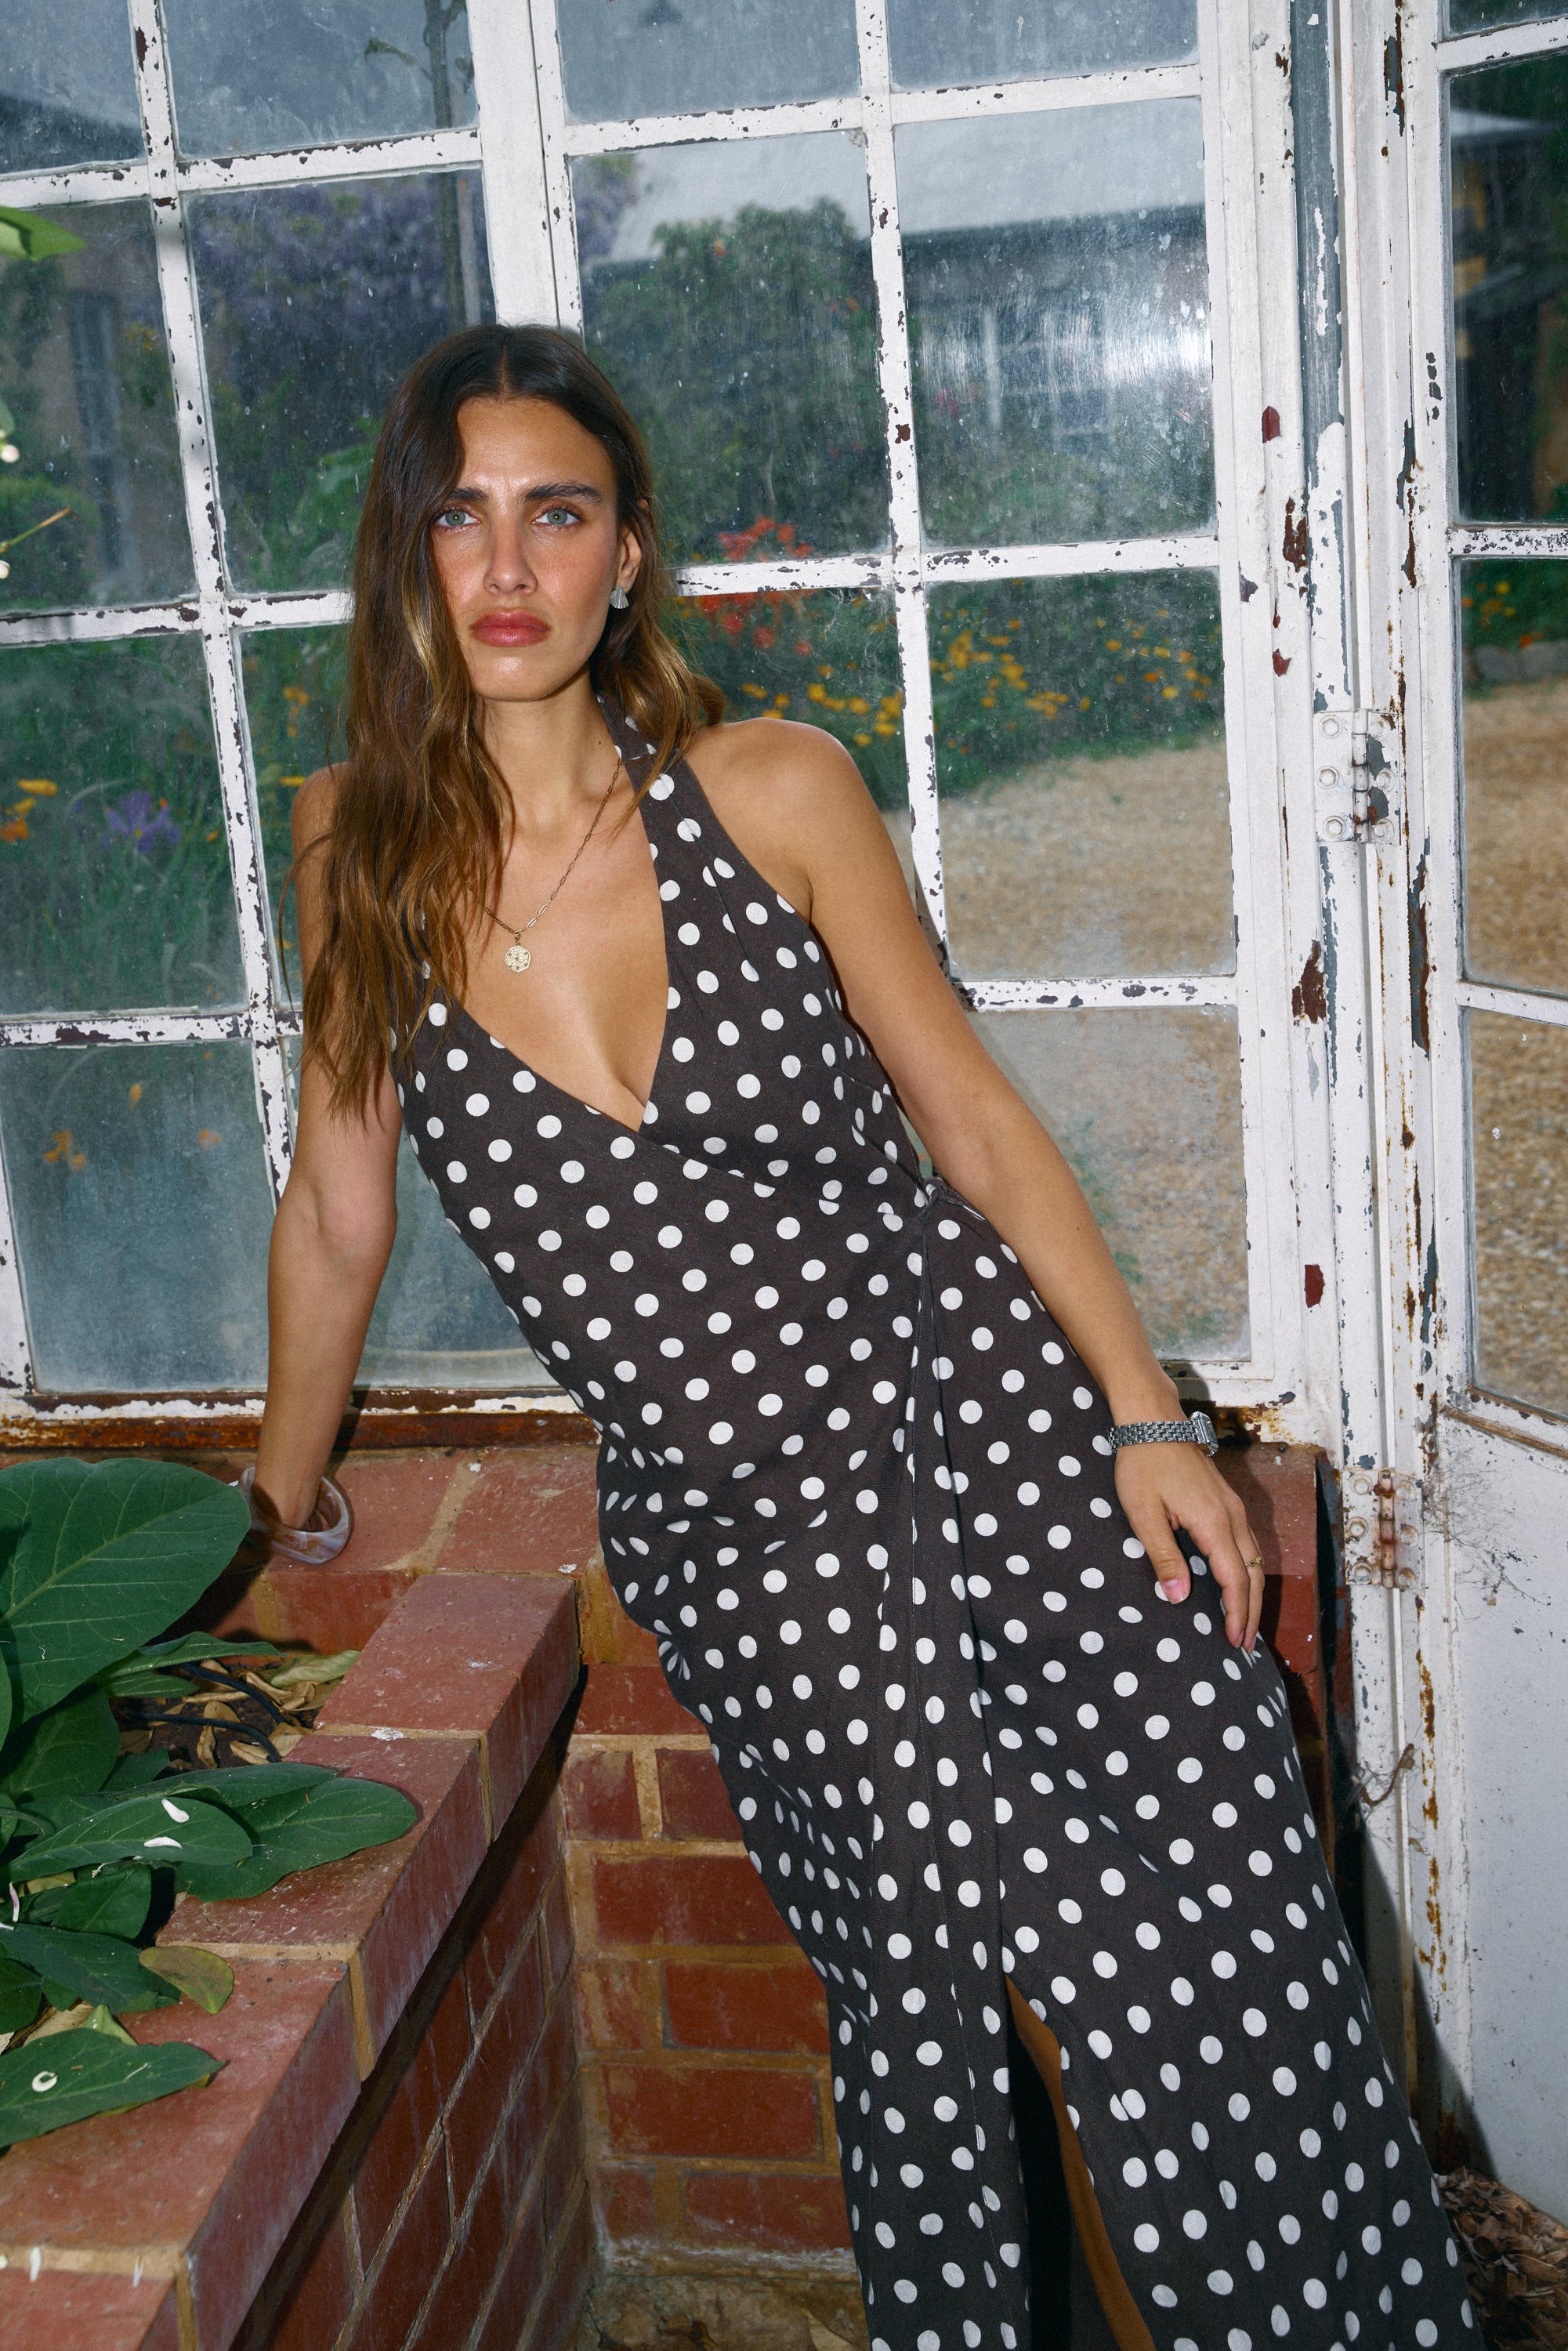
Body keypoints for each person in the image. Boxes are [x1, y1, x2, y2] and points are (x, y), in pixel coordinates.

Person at [252, 324, 1472, 2351]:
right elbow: (336, 1208)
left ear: (629, 552)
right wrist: (270, 1504)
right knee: (943, 1989)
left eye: (558, 513)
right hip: (755, 1542)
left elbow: (967, 1119)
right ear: (404, 557)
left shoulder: (771, 790)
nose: (509, 565)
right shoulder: (349, 850)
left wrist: (1146, 1419)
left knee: (1214, 1918)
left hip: (984, 1425)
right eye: (458, 518)